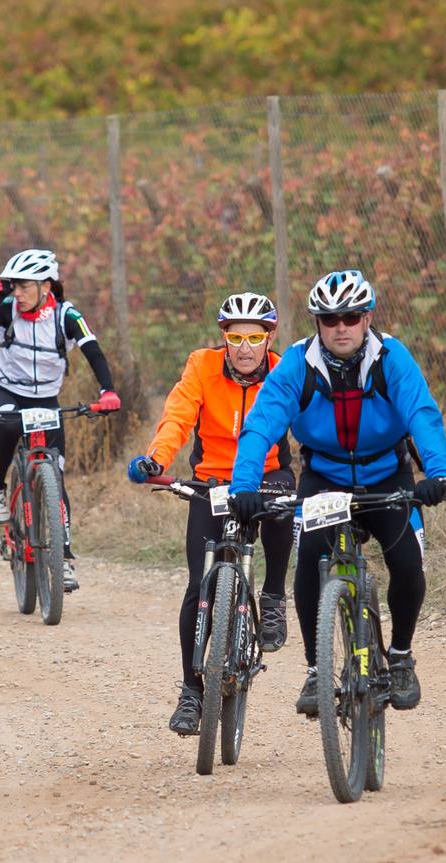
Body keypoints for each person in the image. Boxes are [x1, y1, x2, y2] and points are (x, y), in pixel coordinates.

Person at [227, 270, 446, 715]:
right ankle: (316, 670)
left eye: (350, 316)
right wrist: (244, 485)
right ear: (317, 323)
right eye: (330, 319)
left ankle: (402, 657)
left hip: (387, 476)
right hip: (325, 480)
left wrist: (439, 474)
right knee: (309, 562)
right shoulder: (297, 364)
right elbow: (260, 425)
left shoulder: (392, 358)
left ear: (367, 318)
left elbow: (422, 414)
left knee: (407, 563)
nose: (341, 327)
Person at [126, 293, 296, 735]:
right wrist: (157, 461)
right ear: (223, 337)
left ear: (269, 338)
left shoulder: (284, 371)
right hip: (212, 482)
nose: (243, 346)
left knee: (281, 512)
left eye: (254, 337)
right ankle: (191, 691)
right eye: (234, 336)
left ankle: (274, 597)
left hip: (268, 475)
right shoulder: (202, 366)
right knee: (197, 585)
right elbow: (178, 417)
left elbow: (312, 424)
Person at [0, 249, 120, 592]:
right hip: (5, 391)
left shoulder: (66, 316)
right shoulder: (6, 311)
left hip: (46, 398)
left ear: (46, 286)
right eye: (13, 285)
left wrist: (108, 391)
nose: (17, 292)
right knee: (10, 425)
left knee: (56, 477)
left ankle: (64, 560)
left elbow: (94, 352)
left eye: (24, 286)